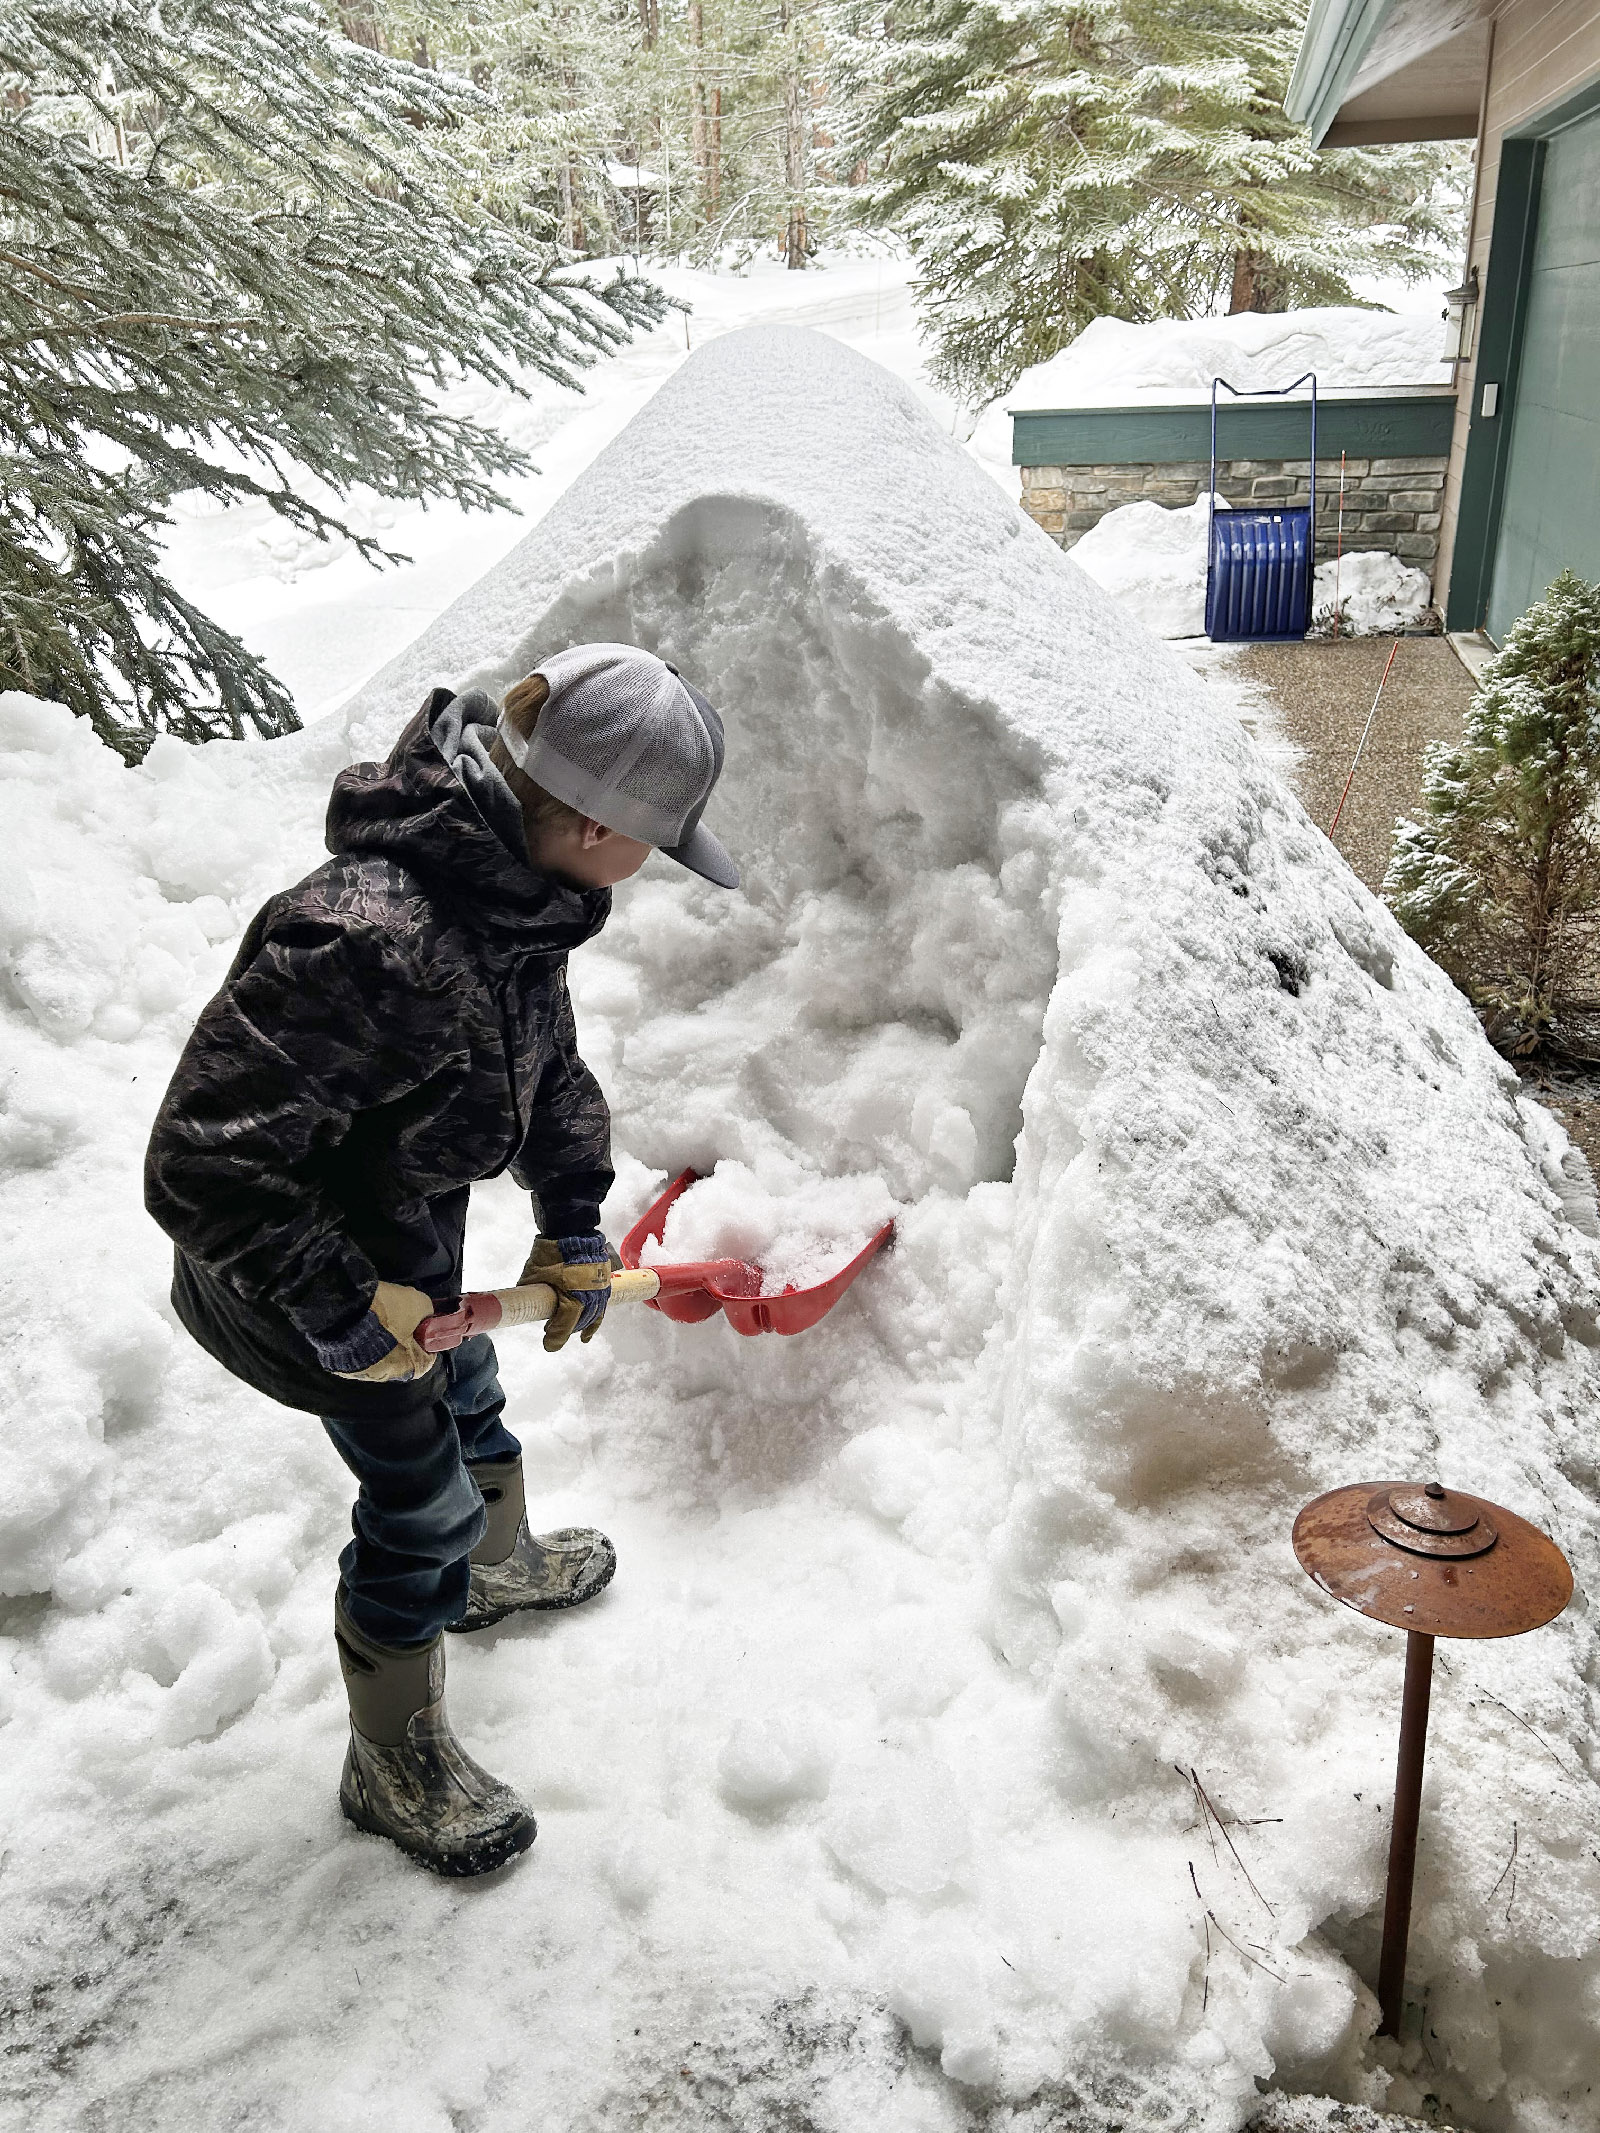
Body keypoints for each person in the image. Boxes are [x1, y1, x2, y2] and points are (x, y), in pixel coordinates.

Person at [144, 645, 739, 1876]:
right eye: (654, 841)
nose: (650, 870)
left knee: (473, 1400)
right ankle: (390, 1756)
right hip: (302, 1286)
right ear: (587, 821)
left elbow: (548, 1070)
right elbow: (205, 1162)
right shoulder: (367, 939)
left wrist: (572, 1217)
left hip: (411, 1251)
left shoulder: (513, 904)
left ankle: (494, 1570)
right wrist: (342, 1303)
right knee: (418, 1504)